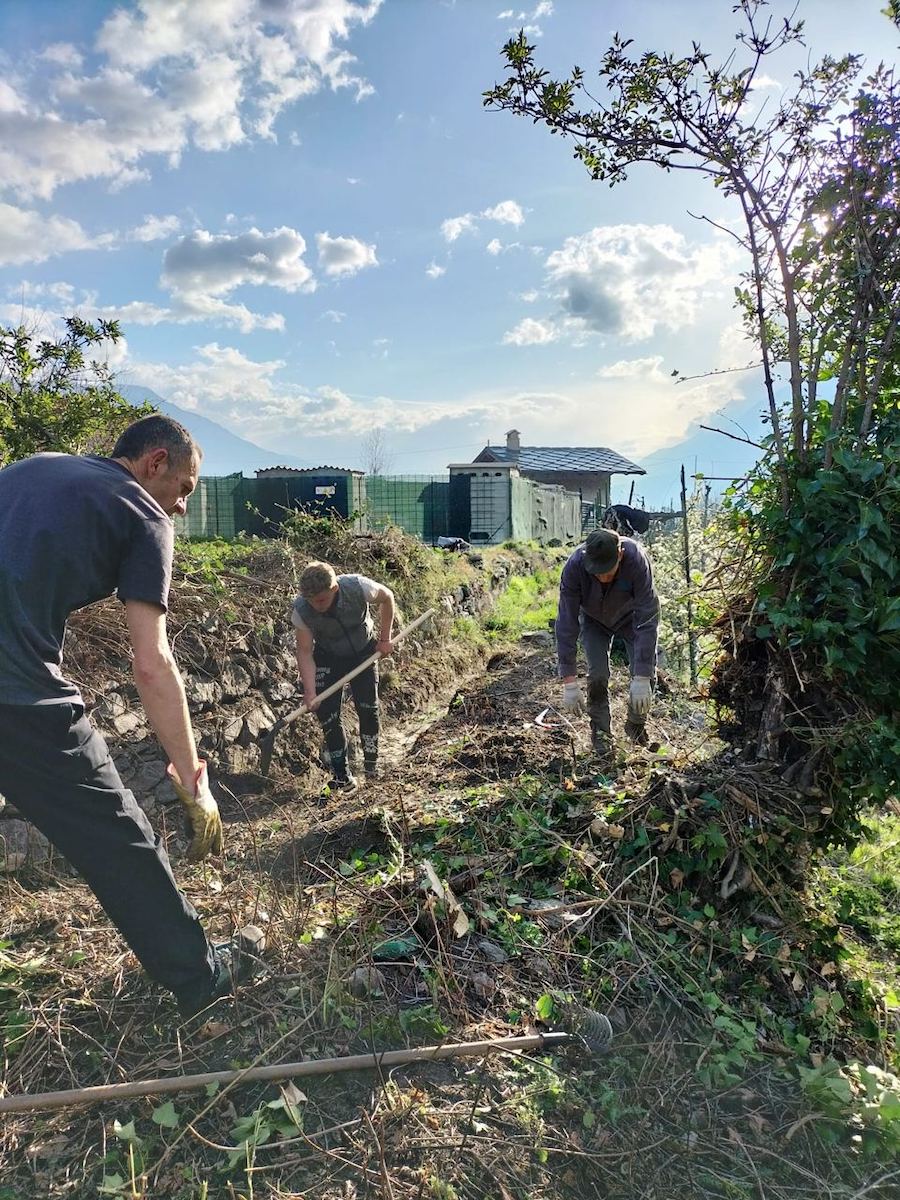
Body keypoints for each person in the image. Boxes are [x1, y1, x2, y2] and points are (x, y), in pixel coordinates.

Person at [0, 414, 252, 1018]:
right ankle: (197, 973)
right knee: (118, 835)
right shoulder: (143, 513)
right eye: (186, 488)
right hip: (18, 697)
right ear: (155, 462)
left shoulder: (35, 465)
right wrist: (194, 781)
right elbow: (152, 662)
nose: (183, 507)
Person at [556, 527, 659, 757]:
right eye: (596, 572)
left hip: (631, 619)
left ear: (620, 554)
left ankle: (635, 726)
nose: (602, 577)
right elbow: (566, 622)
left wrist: (641, 676)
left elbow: (648, 617)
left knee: (646, 673)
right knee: (598, 674)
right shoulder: (574, 566)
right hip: (593, 620)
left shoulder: (636, 560)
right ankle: (601, 737)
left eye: (607, 571)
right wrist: (569, 681)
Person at [292, 561, 395, 790]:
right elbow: (305, 651)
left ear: (334, 589)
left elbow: (387, 597)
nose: (316, 606)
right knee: (327, 714)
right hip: (328, 657)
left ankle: (371, 768)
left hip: (362, 652)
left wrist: (385, 639)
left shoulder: (358, 587)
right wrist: (310, 692)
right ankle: (342, 777)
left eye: (321, 600)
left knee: (368, 708)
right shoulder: (302, 611)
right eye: (311, 601)